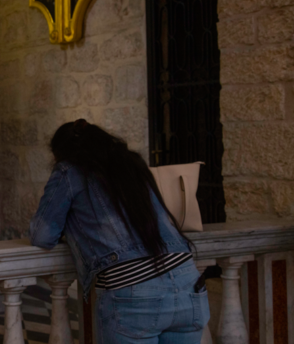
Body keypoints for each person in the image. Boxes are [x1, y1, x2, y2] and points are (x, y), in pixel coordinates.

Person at [29, 119, 209, 343]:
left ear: (62, 152)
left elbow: (42, 235)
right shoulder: (133, 163)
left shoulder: (68, 172)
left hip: (133, 294)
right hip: (188, 281)